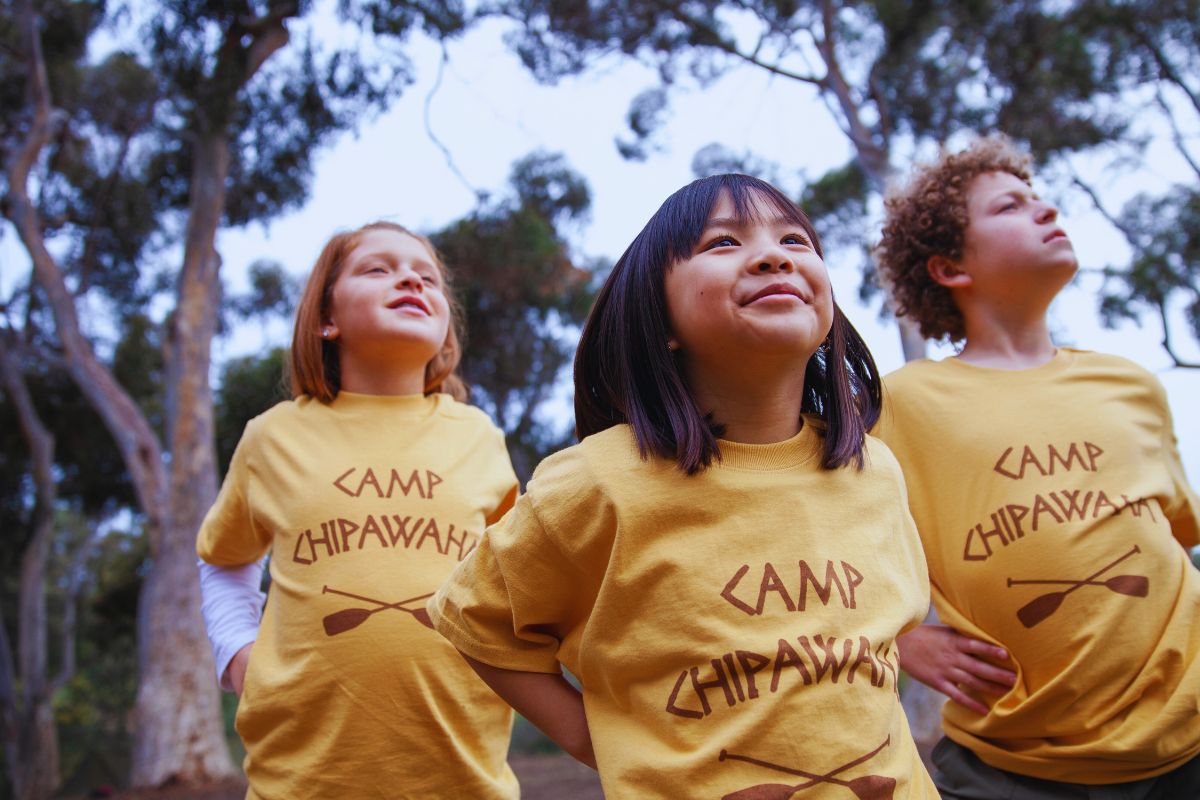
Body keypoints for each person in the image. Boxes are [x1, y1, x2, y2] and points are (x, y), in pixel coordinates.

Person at [428, 174, 939, 799]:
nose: (774, 255)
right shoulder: (596, 481)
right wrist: (593, 737)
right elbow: (475, 617)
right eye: (722, 243)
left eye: (797, 241)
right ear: (658, 317)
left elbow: (886, 635)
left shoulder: (876, 472)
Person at [873, 133, 1200, 798]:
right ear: (949, 268)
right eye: (1011, 207)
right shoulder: (903, 403)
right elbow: (833, 545)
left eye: (1041, 199)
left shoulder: (1131, 385)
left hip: (1189, 735)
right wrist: (897, 641)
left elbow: (1175, 537)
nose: (1046, 210)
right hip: (1014, 764)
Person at [196, 222, 520, 800]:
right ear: (327, 319)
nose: (410, 281)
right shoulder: (272, 438)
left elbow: (517, 582)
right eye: (379, 269)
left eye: (427, 277)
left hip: (465, 777)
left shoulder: (479, 437)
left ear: (445, 327)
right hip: (299, 780)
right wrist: (238, 656)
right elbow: (222, 559)